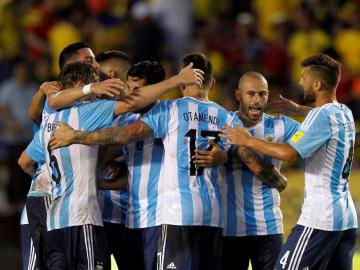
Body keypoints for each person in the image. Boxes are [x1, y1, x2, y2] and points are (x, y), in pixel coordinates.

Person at [49, 53, 287, 270]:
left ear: (182, 84)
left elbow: (125, 134)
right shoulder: (226, 116)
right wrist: (277, 180)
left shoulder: (170, 109)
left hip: (176, 214)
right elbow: (250, 160)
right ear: (212, 84)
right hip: (213, 217)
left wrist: (76, 136)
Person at [221, 54, 357, 270]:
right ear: (239, 94)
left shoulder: (315, 118)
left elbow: (288, 153)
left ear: (317, 84)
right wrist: (298, 110)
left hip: (321, 217)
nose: (299, 81)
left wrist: (247, 140)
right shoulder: (344, 113)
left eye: (303, 77)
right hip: (346, 218)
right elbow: (323, 120)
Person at [219, 72, 299, 270]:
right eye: (251, 94)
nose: (256, 100)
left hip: (269, 226)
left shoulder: (282, 125)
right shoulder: (223, 123)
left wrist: (299, 109)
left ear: (268, 95)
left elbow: (317, 135)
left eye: (262, 94)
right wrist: (280, 181)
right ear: (238, 95)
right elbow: (260, 169)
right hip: (230, 228)